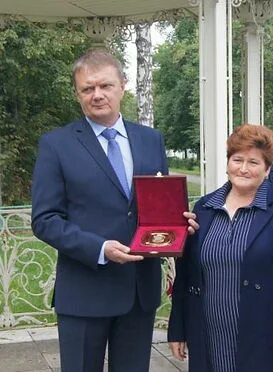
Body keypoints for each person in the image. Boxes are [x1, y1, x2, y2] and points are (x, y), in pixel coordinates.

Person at [31, 49, 197, 372]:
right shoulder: (56, 145)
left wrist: (179, 223)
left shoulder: (151, 140)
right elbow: (44, 220)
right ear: (77, 94)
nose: (97, 95)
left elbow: (159, 206)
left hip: (138, 293)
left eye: (105, 86)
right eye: (87, 89)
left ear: (123, 85)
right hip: (84, 292)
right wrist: (100, 248)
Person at [168, 124, 273, 372]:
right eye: (237, 159)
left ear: (268, 168)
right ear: (228, 162)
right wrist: (178, 328)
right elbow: (186, 274)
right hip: (209, 334)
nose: (243, 168)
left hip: (265, 336)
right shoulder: (204, 209)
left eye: (253, 162)